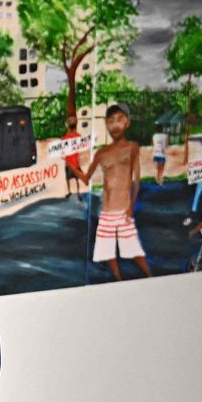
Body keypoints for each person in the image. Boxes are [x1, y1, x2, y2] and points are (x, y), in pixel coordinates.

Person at [79, 104, 151, 280]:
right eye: (110, 121)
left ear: (127, 122)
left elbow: (136, 180)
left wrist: (131, 207)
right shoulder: (101, 153)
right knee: (106, 249)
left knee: (133, 249)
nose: (115, 125)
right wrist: (70, 165)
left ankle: (150, 277)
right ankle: (118, 279)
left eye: (119, 119)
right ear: (105, 124)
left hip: (123, 209)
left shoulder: (132, 147)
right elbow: (86, 177)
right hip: (106, 210)